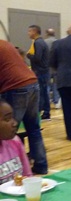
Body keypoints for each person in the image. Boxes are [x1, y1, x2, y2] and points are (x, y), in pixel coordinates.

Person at [0, 40, 49, 174]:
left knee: (8, 129)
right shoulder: (5, 44)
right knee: (34, 129)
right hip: (32, 83)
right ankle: (41, 165)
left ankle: (11, 169)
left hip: (15, 87)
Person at [0, 98, 33, 184]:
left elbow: (28, 176)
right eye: (7, 119)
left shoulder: (15, 141)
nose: (15, 123)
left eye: (12, 117)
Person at [26, 25, 51, 120]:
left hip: (41, 72)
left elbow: (37, 58)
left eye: (29, 31)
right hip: (43, 71)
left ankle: (44, 112)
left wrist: (29, 56)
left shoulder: (38, 43)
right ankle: (45, 113)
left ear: (34, 31)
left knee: (41, 93)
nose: (28, 33)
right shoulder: (39, 42)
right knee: (44, 92)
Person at [45, 28, 60, 109]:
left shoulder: (44, 42)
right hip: (56, 67)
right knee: (56, 84)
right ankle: (56, 101)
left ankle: (47, 102)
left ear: (47, 34)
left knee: (47, 85)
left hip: (46, 67)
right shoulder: (58, 42)